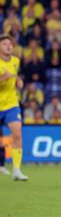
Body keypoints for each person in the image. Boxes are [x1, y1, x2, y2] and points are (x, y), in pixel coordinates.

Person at [0, 34, 28, 181]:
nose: (8, 46)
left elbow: (15, 77)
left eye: (10, 44)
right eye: (4, 44)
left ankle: (16, 170)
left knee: (17, 135)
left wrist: (19, 82)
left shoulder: (16, 61)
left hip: (11, 104)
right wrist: (2, 78)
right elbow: (5, 78)